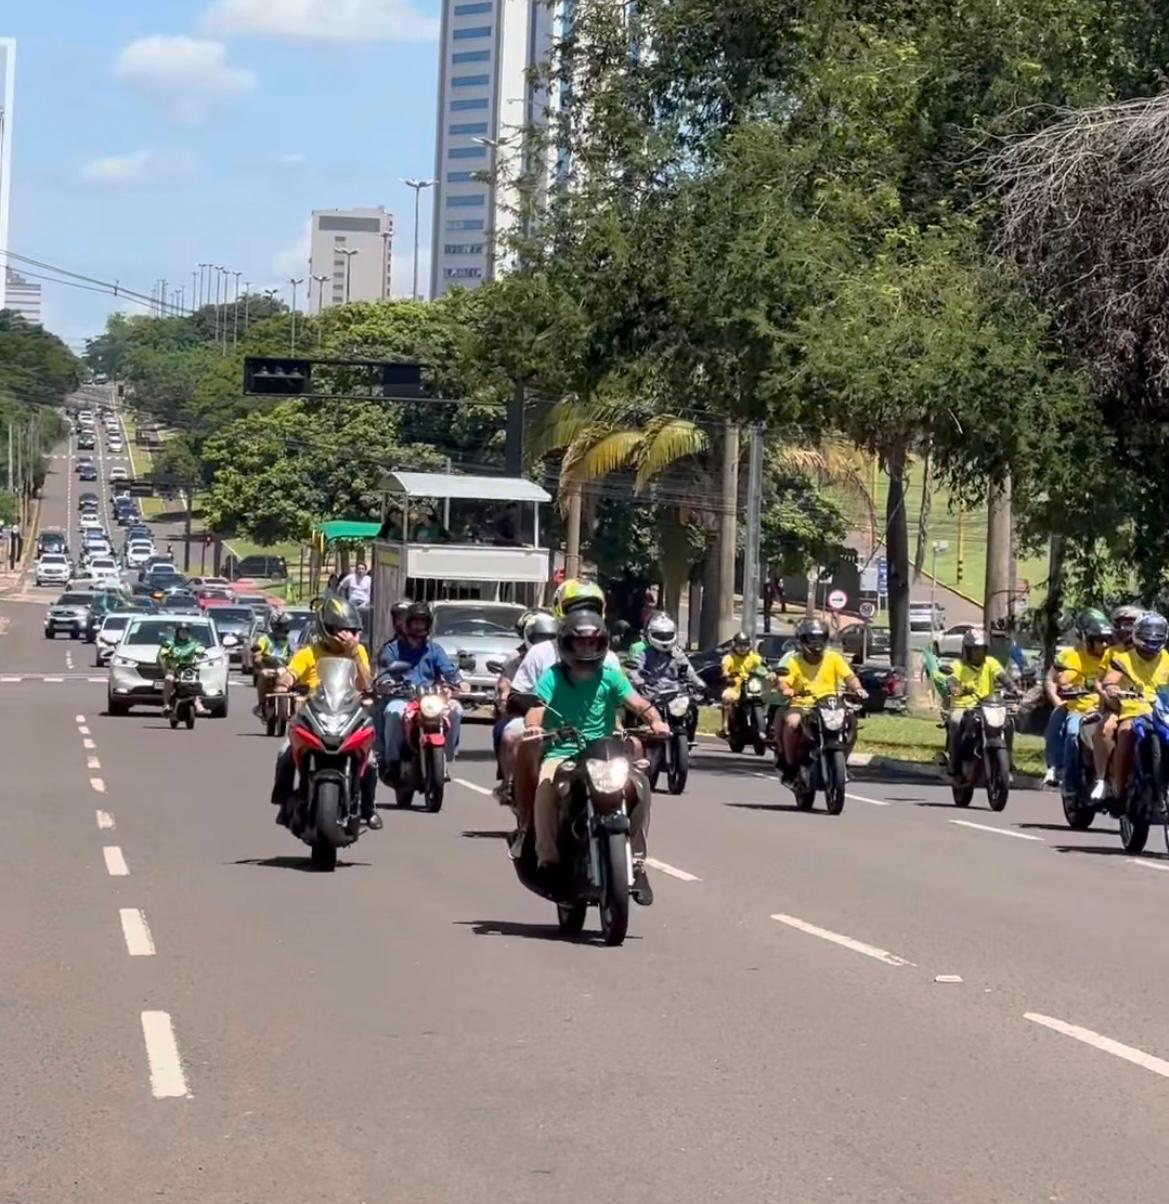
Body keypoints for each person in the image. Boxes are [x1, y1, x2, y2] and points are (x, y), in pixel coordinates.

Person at [526, 610, 668, 905]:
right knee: (546, 786)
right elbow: (537, 707)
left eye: (593, 643)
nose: (587, 649)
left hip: (605, 752)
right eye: (580, 643)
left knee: (639, 786)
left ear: (602, 644)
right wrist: (533, 727)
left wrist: (655, 720)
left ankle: (637, 863)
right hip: (563, 752)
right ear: (567, 644)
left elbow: (639, 703)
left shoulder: (611, 677)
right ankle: (547, 858)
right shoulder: (553, 676)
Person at [502, 578, 623, 821]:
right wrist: (536, 720)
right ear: (560, 611)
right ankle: (526, 815)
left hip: (599, 733)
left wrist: (637, 721)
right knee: (516, 738)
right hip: (549, 732)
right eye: (576, 608)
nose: (584, 615)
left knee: (635, 760)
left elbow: (623, 699)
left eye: (591, 608)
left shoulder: (609, 658)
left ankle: (630, 833)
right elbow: (517, 694)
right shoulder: (541, 653)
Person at [270, 595, 379, 829]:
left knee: (370, 761)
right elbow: (291, 673)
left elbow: (366, 686)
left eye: (350, 630)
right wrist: (283, 684)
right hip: (313, 715)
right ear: (326, 628)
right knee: (285, 752)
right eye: (340, 629)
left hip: (348, 716)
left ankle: (368, 809)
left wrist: (352, 655)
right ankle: (284, 803)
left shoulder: (358, 651)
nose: (345, 635)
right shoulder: (308, 652)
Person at [375, 601, 465, 783]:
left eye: (422, 623)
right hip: (403, 698)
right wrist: (386, 683)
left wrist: (460, 683)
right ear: (407, 624)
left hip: (431, 699)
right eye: (415, 622)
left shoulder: (434, 650)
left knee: (456, 710)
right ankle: (392, 761)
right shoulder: (393, 649)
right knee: (393, 712)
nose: (418, 627)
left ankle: (445, 759)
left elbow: (448, 671)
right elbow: (384, 672)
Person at [774, 617, 866, 779]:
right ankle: (790, 765)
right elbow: (783, 681)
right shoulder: (794, 661)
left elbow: (849, 677)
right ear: (802, 640)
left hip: (830, 705)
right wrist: (787, 690)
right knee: (791, 722)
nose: (816, 644)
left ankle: (843, 760)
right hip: (803, 705)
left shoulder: (834, 658)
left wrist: (857, 688)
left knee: (851, 720)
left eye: (820, 639)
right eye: (811, 639)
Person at [1094, 612, 1169, 803]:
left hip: (1162, 713)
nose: (1150, 651)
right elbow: (1110, 680)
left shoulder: (1167, 659)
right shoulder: (1123, 659)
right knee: (1125, 733)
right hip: (1133, 711)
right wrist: (1112, 689)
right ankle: (1118, 788)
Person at [1042, 610, 1110, 787]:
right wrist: (1063, 691)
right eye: (1098, 640)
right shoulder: (1072, 657)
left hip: (1106, 709)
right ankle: (1067, 776)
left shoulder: (1112, 658)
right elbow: (1058, 679)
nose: (1103, 644)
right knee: (1072, 733)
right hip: (1079, 710)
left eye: (1106, 640)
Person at [938, 627, 1013, 781]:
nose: (979, 653)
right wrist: (960, 689)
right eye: (975, 649)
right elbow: (951, 682)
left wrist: (1014, 688)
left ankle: (1008, 762)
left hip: (988, 705)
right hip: (963, 706)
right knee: (955, 722)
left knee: (1008, 723)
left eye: (982, 649)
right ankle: (954, 768)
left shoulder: (991, 663)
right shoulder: (958, 665)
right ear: (967, 650)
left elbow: (1002, 676)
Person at [252, 611, 295, 719]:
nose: (286, 629)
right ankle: (261, 704)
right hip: (269, 667)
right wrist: (257, 654)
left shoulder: (289, 640)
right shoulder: (265, 638)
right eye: (283, 626)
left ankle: (293, 707)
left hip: (285, 668)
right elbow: (257, 650)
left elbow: (294, 653)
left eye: (286, 626)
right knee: (263, 675)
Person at [720, 630, 763, 739]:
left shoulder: (753, 657)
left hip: (751, 684)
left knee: (766, 698)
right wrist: (727, 676)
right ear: (734, 645)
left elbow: (762, 664)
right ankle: (725, 727)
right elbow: (724, 669)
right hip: (735, 686)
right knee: (727, 697)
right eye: (740, 645)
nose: (743, 648)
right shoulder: (729, 658)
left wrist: (770, 671)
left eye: (745, 645)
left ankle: (765, 725)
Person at [159, 622, 206, 716]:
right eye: (181, 632)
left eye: (186, 632)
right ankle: (166, 705)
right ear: (177, 633)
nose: (183, 634)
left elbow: (200, 647)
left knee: (195, 682)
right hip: (173, 669)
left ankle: (197, 701)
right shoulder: (171, 643)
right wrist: (166, 653)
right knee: (169, 679)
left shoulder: (193, 643)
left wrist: (200, 651)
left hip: (188, 669)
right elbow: (164, 650)